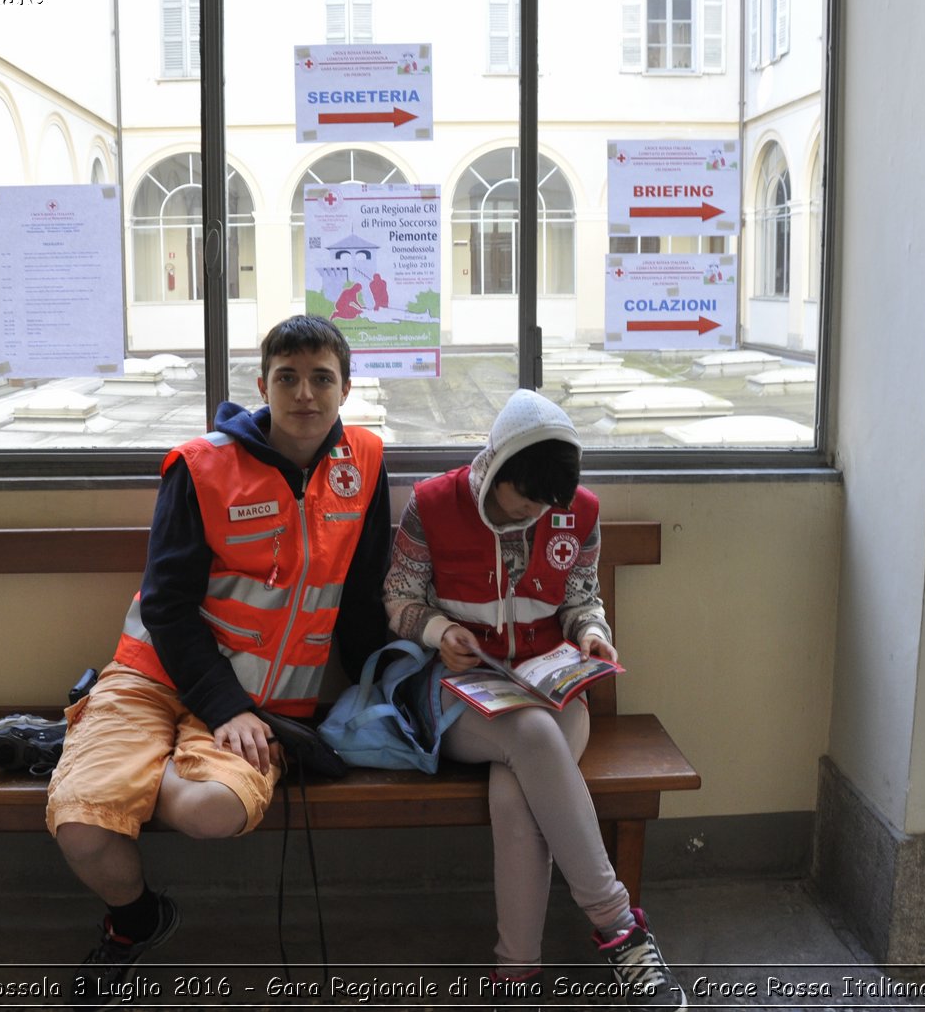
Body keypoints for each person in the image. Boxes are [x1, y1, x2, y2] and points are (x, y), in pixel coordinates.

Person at [45, 315, 391, 1003]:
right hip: (157, 677)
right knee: (83, 826)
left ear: (345, 389)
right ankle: (136, 918)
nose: (304, 393)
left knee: (209, 810)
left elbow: (358, 604)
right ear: (262, 385)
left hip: (263, 702)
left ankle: (95, 751)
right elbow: (168, 607)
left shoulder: (367, 465)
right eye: (287, 377)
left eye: (322, 377)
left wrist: (394, 687)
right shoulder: (200, 465)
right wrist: (221, 705)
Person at [383, 389, 686, 1010]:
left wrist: (593, 634)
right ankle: (622, 930)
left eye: (547, 505)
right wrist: (442, 633)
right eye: (523, 499)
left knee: (516, 786)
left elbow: (581, 597)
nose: (533, 514)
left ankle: (516, 977)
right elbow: (399, 600)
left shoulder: (578, 512)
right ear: (494, 468)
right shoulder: (432, 504)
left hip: (550, 690)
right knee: (531, 737)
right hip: (458, 694)